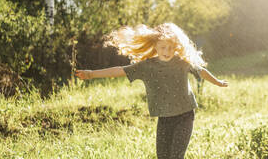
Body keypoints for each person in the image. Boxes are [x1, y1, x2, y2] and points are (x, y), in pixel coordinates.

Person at [75, 23, 228, 159]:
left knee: (176, 156)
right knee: (162, 156)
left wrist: (218, 82)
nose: (167, 51)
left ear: (176, 47)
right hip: (164, 119)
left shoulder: (182, 63)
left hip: (185, 116)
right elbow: (120, 70)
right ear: (155, 46)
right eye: (163, 47)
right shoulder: (146, 66)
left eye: (170, 47)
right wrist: (91, 74)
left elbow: (201, 72)